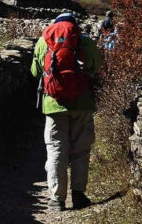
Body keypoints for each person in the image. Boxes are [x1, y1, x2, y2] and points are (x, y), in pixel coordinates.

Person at [31, 11, 104, 212]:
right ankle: (78, 194)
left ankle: (57, 199)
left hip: (53, 104)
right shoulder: (84, 41)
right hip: (82, 104)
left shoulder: (43, 41)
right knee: (81, 150)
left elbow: (35, 72)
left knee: (56, 149)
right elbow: (98, 64)